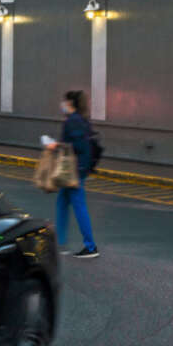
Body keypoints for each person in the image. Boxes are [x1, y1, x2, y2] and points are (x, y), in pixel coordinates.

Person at [52, 90, 100, 259]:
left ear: (70, 103)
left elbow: (77, 146)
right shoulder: (80, 120)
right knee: (62, 203)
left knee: (79, 206)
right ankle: (60, 243)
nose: (62, 104)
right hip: (77, 169)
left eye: (64, 102)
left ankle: (90, 246)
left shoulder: (73, 121)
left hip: (74, 171)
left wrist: (56, 145)